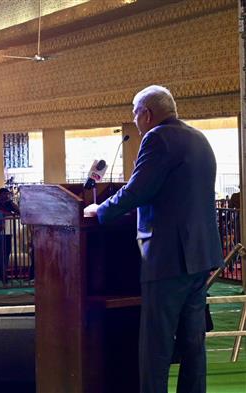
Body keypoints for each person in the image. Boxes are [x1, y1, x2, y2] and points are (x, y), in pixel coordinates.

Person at [84, 85, 223, 393]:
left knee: (156, 348)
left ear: (146, 113)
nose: (135, 120)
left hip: (168, 258)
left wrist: (100, 209)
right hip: (201, 256)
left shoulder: (157, 138)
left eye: (135, 114)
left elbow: (138, 190)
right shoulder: (198, 138)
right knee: (193, 345)